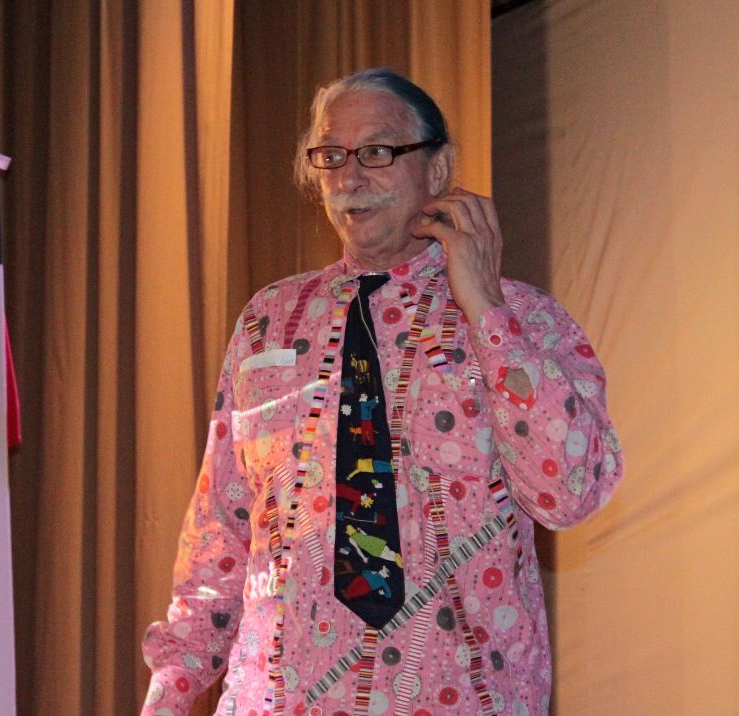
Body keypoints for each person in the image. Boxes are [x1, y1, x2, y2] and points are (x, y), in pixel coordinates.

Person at [141, 68, 623, 716]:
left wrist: (486, 309)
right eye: (331, 156)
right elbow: (220, 532)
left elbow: (570, 492)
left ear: (438, 167)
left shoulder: (524, 320)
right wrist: (169, 694)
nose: (349, 177)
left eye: (376, 151)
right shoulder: (269, 321)